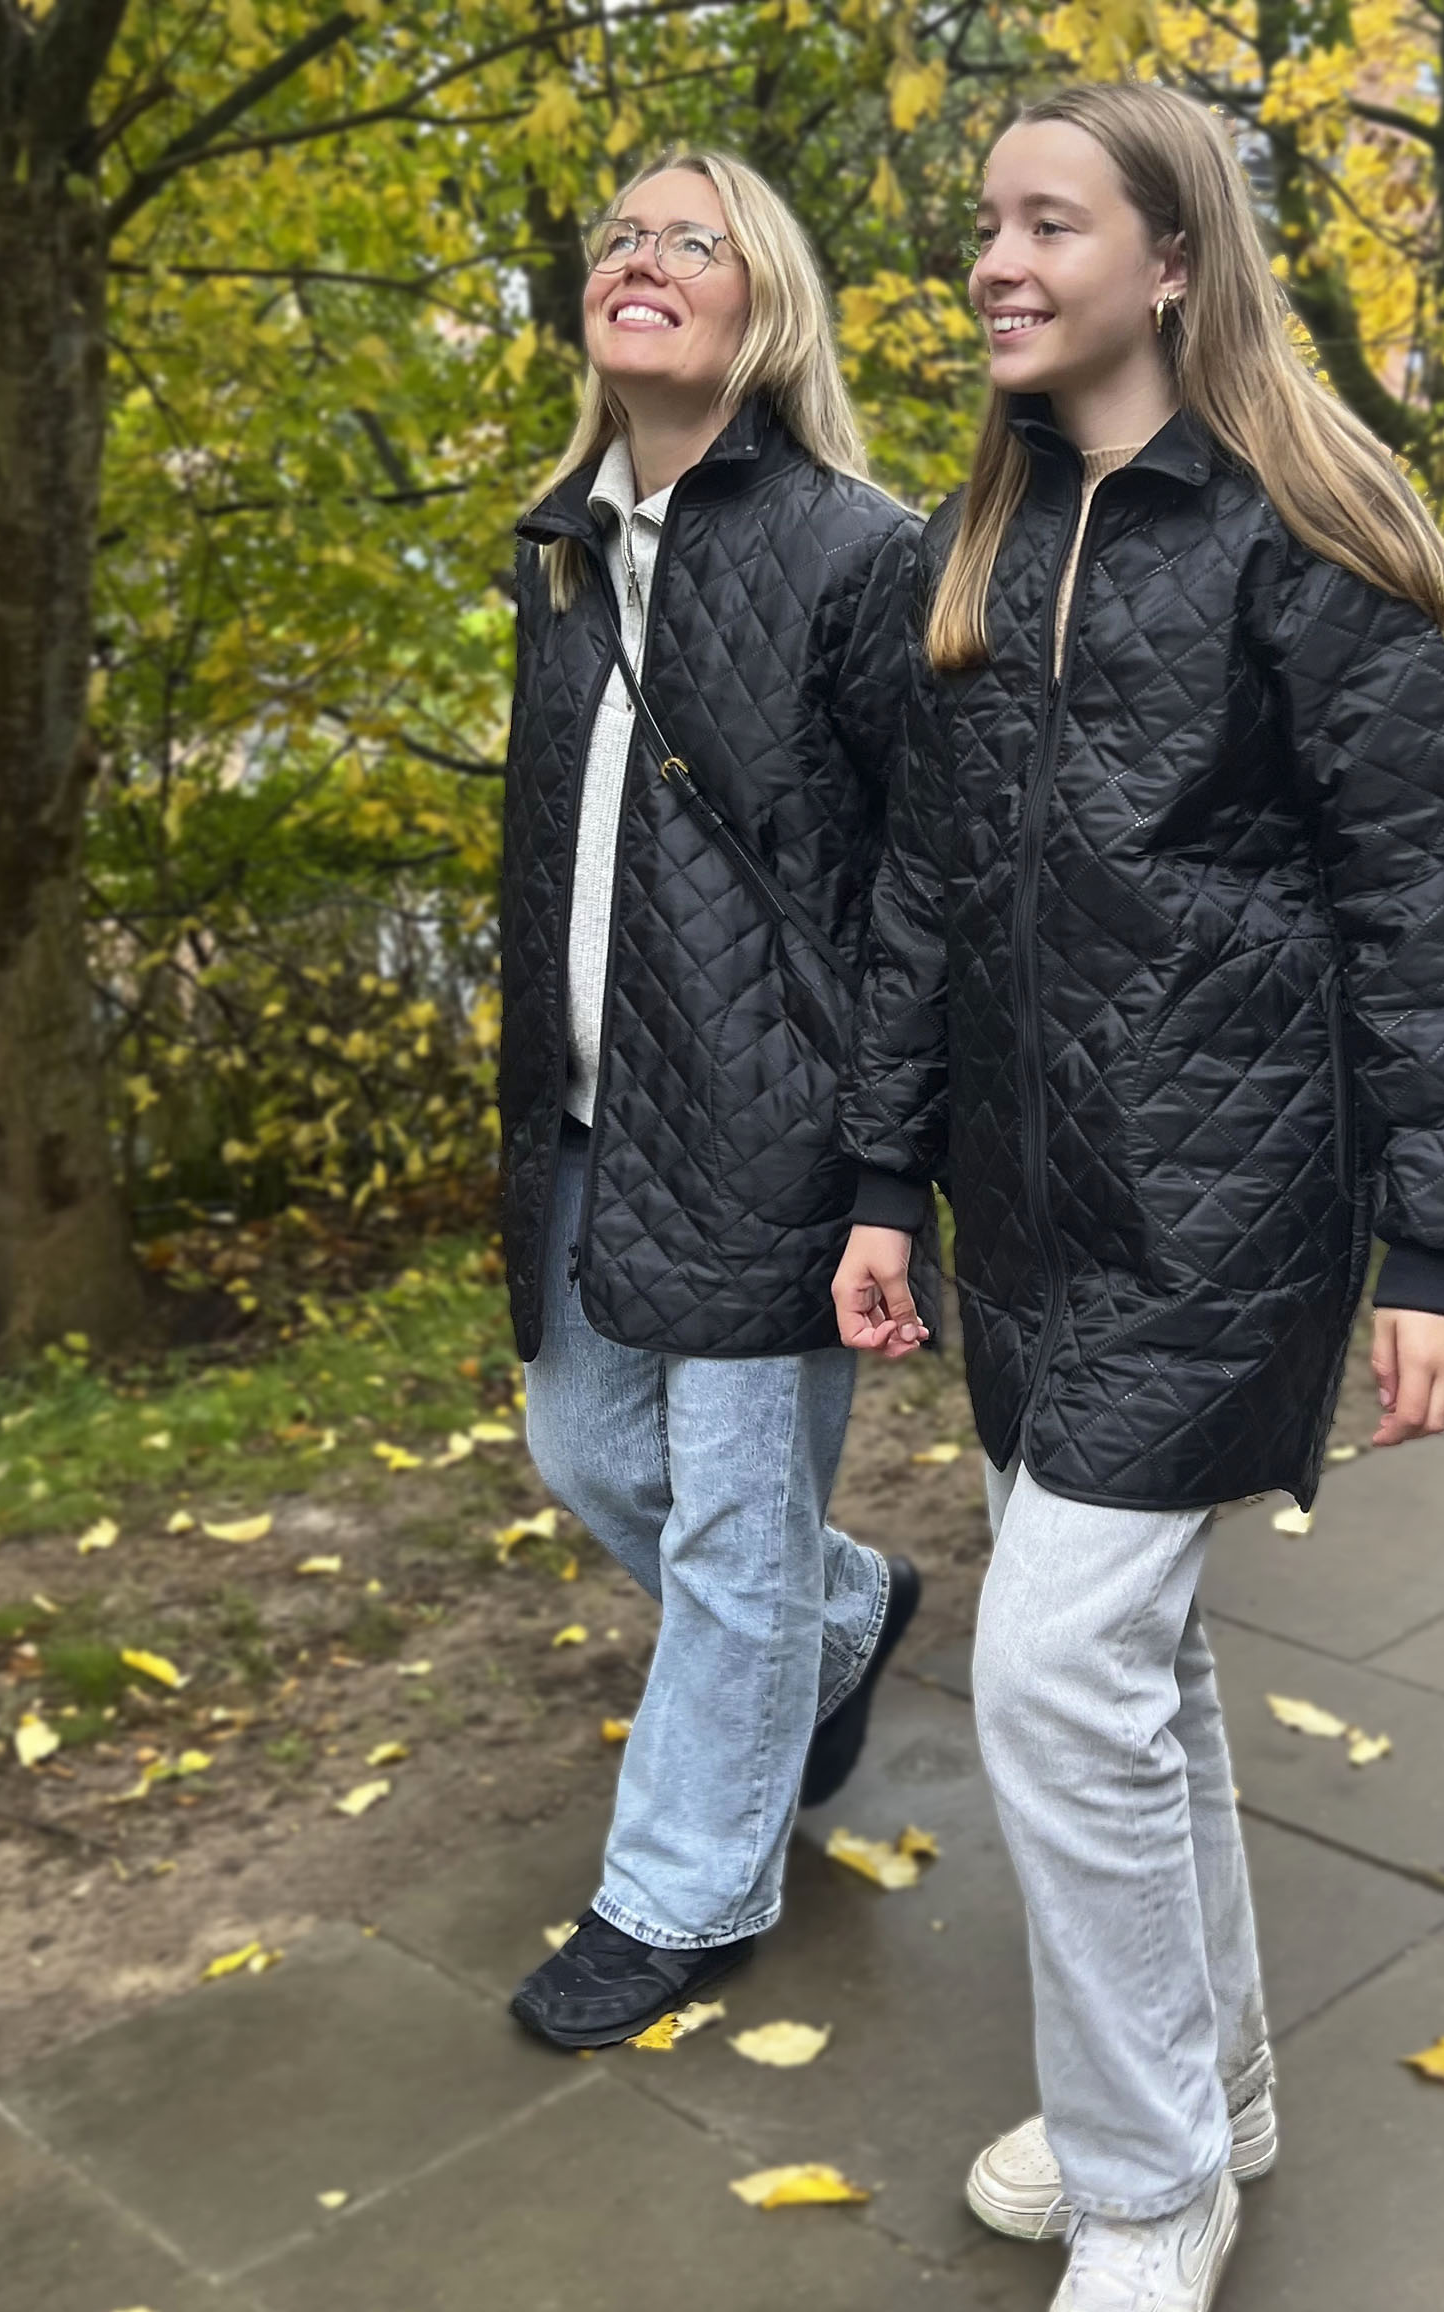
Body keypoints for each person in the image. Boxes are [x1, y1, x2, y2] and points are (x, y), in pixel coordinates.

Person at [832, 84, 1444, 2312]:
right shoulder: (980, 542)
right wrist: (882, 1180)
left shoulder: (1297, 538)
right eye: (982, 222)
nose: (994, 259)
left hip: (1230, 1213)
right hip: (1023, 1218)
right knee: (1127, 1676)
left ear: (1169, 258)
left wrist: (1436, 1236)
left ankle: (1143, 2197)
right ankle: (1204, 2090)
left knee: (1049, 1675)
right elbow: (918, 899)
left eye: (1046, 221)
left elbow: (1422, 908)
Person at [497, 149, 926, 2051]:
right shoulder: (561, 551)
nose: (642, 256)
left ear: (766, 304)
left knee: (737, 1530)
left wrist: (888, 1169)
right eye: (619, 235)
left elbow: (924, 888)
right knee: (590, 1455)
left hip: (777, 1125)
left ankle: (678, 1893)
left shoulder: (858, 550)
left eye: (694, 238)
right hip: (595, 1119)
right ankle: (844, 1618)